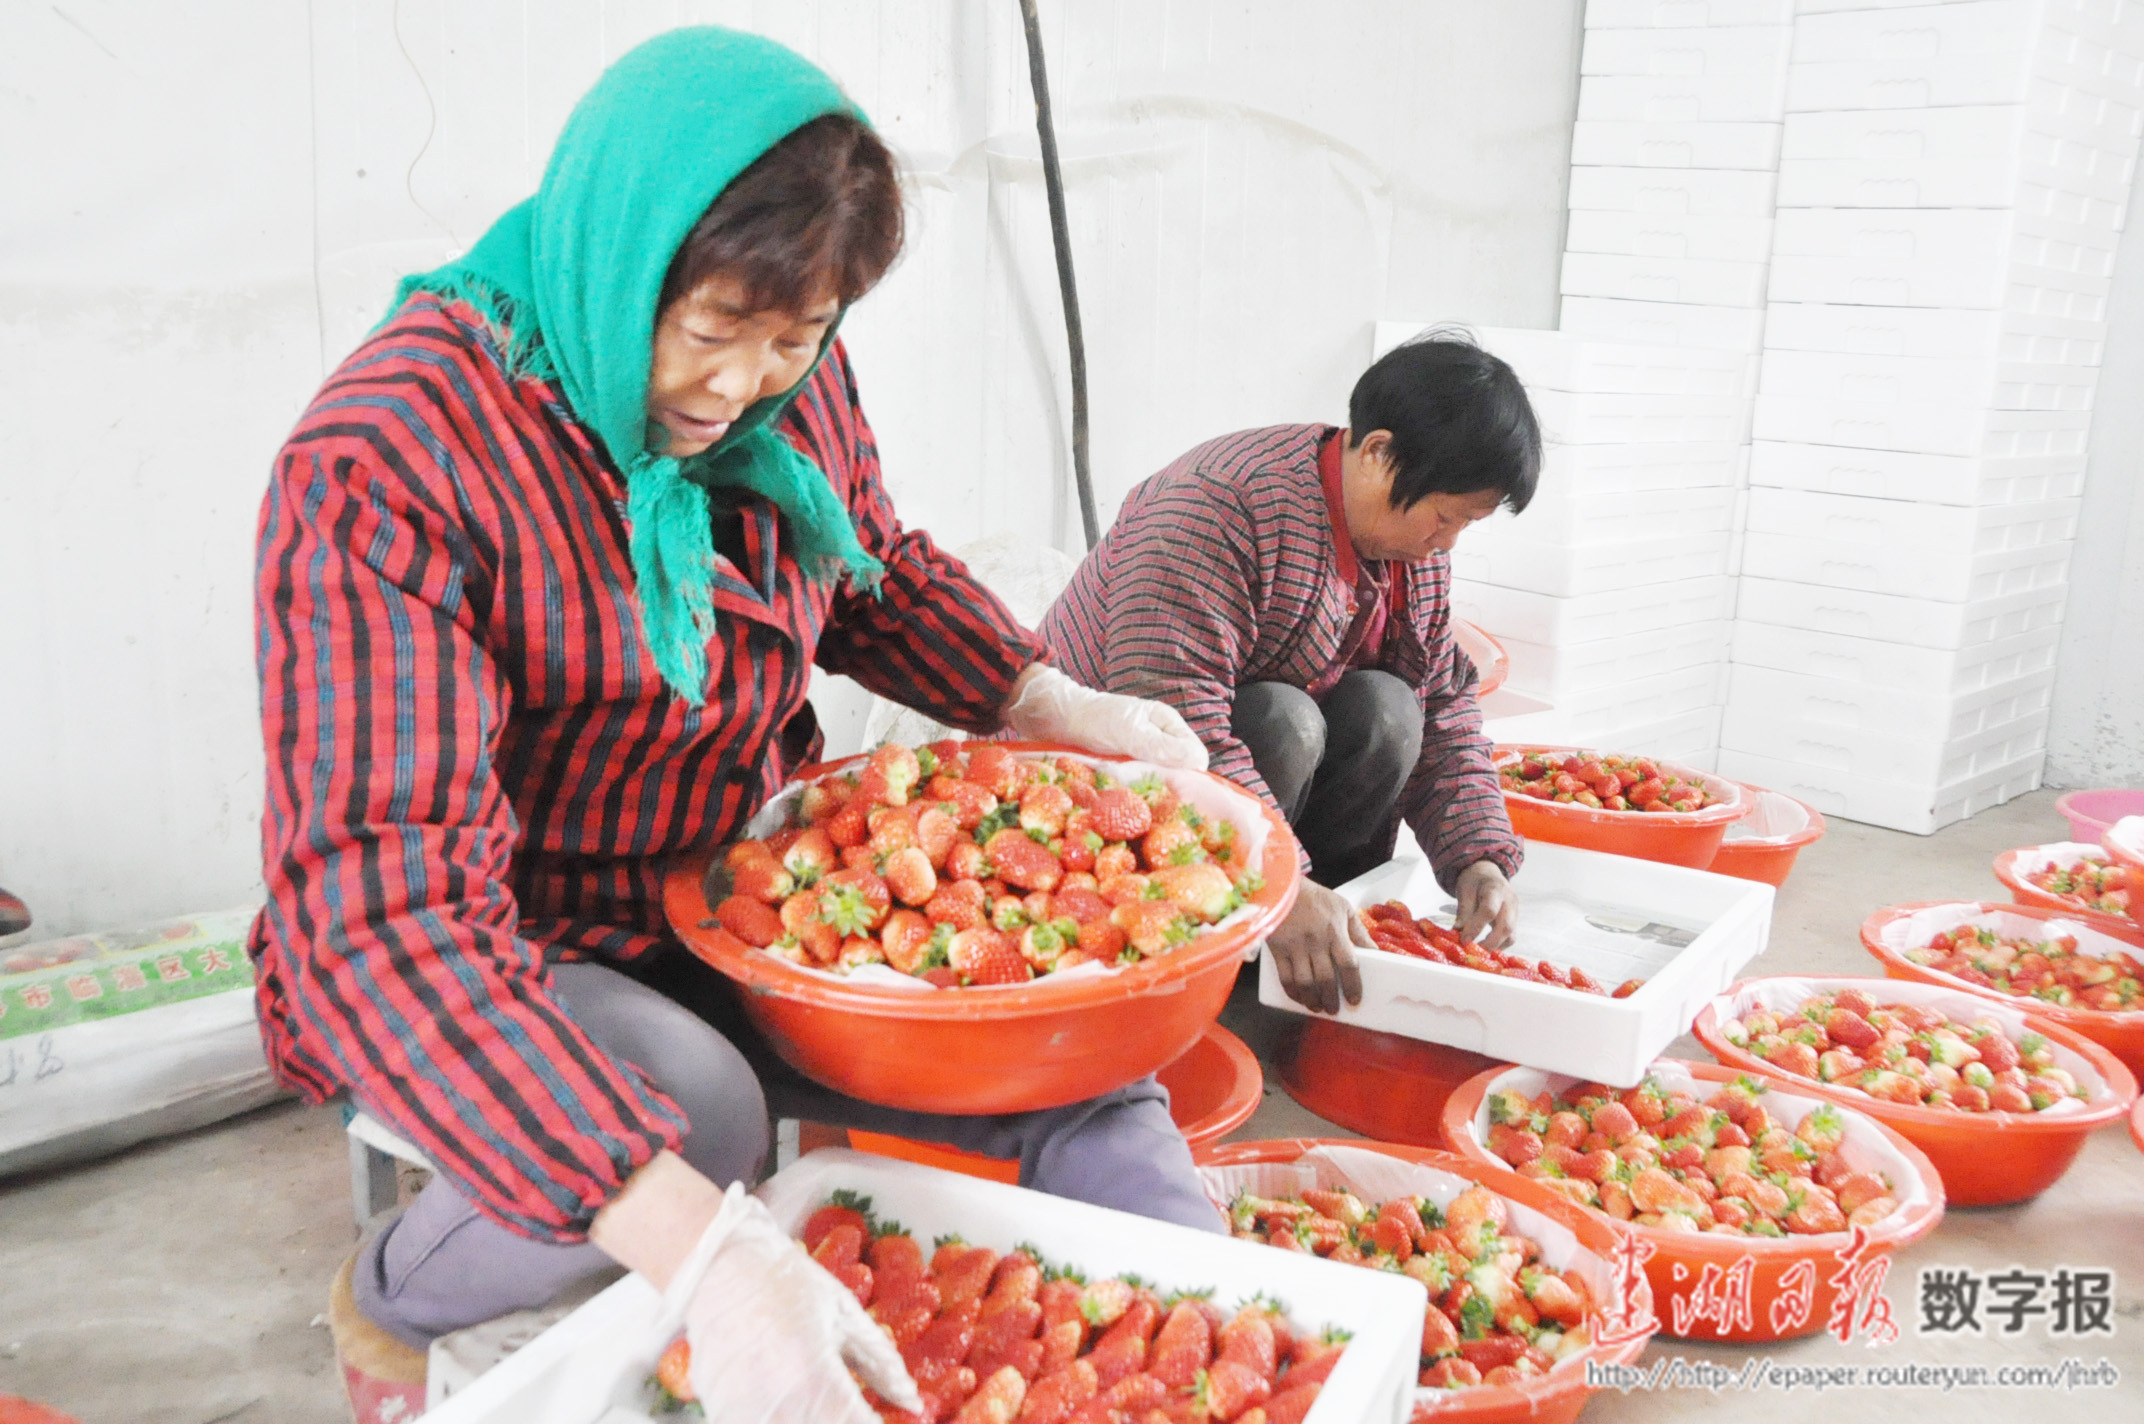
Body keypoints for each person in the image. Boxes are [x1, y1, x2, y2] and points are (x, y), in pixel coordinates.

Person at [249, 29, 1216, 1422]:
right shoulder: (391, 460)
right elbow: (378, 911)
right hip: (517, 937)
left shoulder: (790, 371)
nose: (737, 387)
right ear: (618, 256)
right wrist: (708, 1254)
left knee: (1077, 1052)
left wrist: (1042, 696)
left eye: (793, 339)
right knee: (700, 1116)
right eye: (706, 330)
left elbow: (864, 559)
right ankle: (399, 1293)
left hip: (747, 895)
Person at [1040, 332, 1538, 1017]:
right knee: (1286, 720)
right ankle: (1215, 960)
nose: (1448, 542)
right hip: (1104, 778)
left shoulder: (1409, 545)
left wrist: (1479, 855)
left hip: (1235, 777)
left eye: (1466, 524)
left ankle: (1320, 948)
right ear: (1378, 454)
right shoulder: (1219, 507)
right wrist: (1278, 881)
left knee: (1393, 709)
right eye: (1447, 516)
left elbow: (1442, 695)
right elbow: (1173, 723)